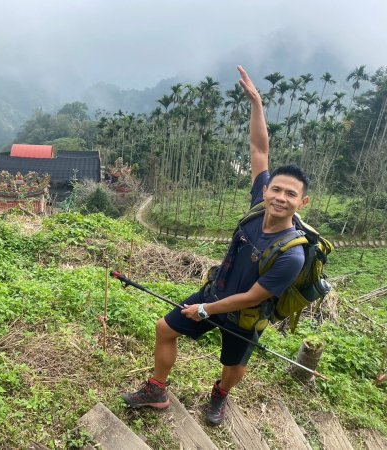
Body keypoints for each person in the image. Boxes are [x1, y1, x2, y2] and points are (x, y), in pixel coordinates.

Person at [121, 65, 311, 426]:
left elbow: (254, 296)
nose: (280, 196)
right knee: (165, 329)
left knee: (234, 366)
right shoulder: (258, 206)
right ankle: (157, 388)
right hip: (215, 290)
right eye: (277, 189)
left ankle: (220, 394)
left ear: (302, 203)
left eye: (291, 193)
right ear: (266, 190)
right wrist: (256, 103)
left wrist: (207, 310)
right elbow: (259, 149)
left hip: (245, 314)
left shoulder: (293, 253)